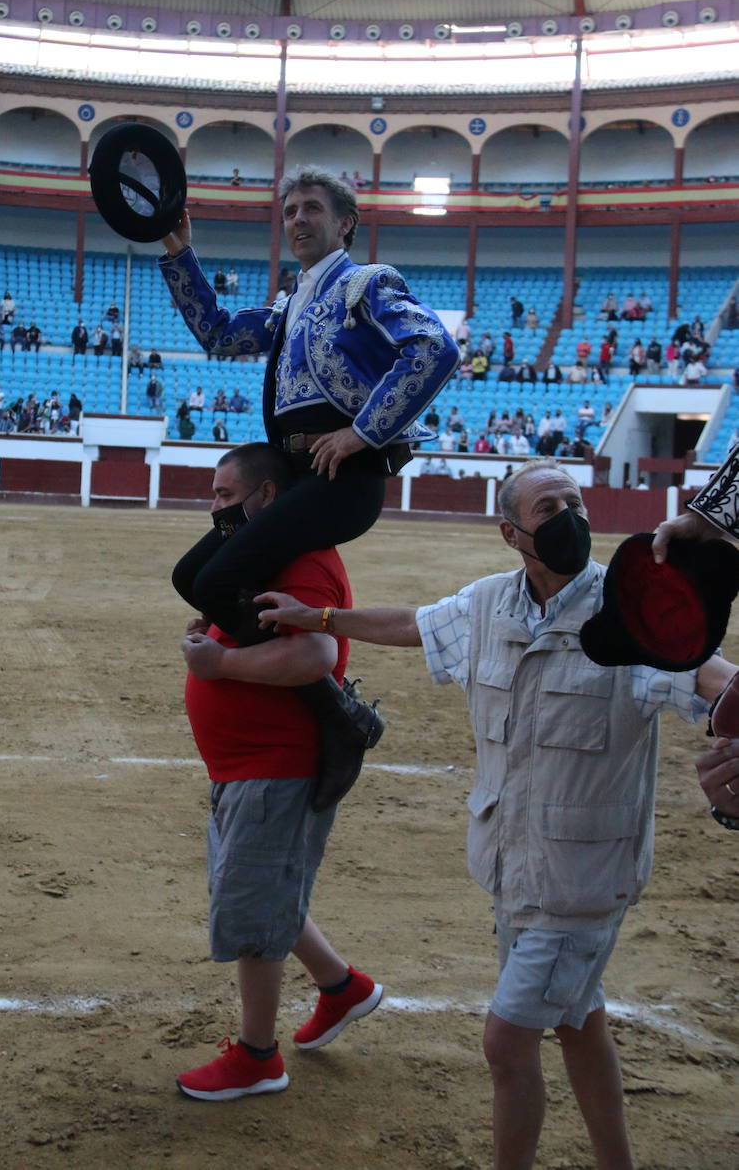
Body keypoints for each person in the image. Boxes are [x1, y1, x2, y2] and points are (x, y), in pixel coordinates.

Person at [256, 461, 737, 1169]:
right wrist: (320, 618)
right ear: (511, 532)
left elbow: (705, 672)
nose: (569, 515)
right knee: (580, 1024)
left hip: (584, 880)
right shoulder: (488, 604)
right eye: (549, 507)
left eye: (575, 501)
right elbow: (416, 625)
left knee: (506, 1041)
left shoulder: (632, 607)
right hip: (513, 865)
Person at [161, 165, 457, 797]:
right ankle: (330, 704)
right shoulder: (289, 303)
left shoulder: (367, 284)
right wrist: (179, 251)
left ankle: (331, 709)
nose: (297, 219)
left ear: (344, 222)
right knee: (191, 576)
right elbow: (217, 333)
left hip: (343, 479)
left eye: (312, 209)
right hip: (295, 477)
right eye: (290, 210)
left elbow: (434, 347)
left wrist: (364, 432)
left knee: (217, 579)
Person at [175, 444, 382, 1100]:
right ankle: (342, 987)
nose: (215, 509)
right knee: (257, 889)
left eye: (224, 495)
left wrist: (222, 666)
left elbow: (315, 655)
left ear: (267, 497)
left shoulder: (305, 554)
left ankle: (259, 1055)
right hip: (249, 765)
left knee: (255, 904)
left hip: (278, 765)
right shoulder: (267, 552)